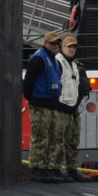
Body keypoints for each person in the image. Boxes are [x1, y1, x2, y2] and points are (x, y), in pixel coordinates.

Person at [22, 31, 90, 181]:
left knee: (56, 139)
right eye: (54, 43)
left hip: (57, 106)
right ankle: (39, 169)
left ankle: (51, 169)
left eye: (58, 44)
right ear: (46, 43)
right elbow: (27, 84)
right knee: (44, 138)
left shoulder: (58, 61)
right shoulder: (42, 60)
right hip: (48, 105)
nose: (56, 46)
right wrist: (34, 100)